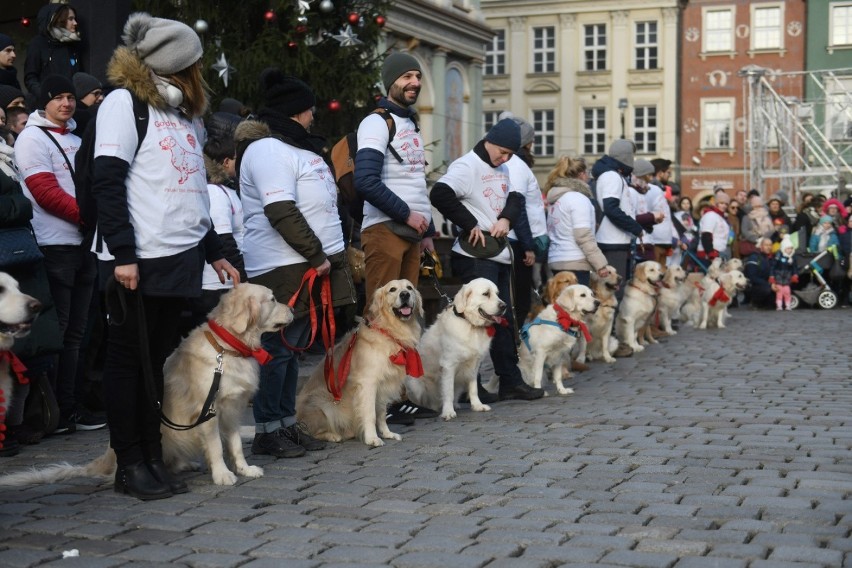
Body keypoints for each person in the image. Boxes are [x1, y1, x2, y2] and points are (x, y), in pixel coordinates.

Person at [91, 13, 239, 500]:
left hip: (180, 255)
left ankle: (153, 456)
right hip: (138, 255)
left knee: (154, 359)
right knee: (127, 360)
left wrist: (213, 250)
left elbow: (192, 189)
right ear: (179, 64)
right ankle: (129, 463)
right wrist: (123, 254)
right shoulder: (124, 104)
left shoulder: (184, 114)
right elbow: (108, 181)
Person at [238, 70, 354, 459]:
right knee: (278, 348)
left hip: (307, 263)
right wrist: (317, 254)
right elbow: (280, 209)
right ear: (293, 112)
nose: (312, 118)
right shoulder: (267, 149)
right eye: (308, 111)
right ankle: (267, 430)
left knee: (294, 348)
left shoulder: (296, 147)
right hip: (285, 264)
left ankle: (286, 423)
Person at [430, 118, 544, 402]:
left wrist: (506, 218)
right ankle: (473, 387)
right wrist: (469, 224)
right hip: (476, 256)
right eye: (503, 152)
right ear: (490, 141)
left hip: (500, 253)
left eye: (509, 155)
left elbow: (516, 198)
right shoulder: (466, 166)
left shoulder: (502, 166)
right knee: (474, 321)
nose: (505, 159)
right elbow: (440, 194)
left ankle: (510, 380)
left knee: (503, 318)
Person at [14, 74, 103, 434]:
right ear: (44, 102)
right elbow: (43, 191)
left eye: (70, 97)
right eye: (58, 97)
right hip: (55, 245)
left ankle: (71, 406)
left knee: (79, 333)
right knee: (62, 330)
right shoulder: (33, 138)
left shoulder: (78, 137)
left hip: (84, 244)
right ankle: (53, 412)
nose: (66, 103)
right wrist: (90, 216)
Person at [353, 51, 437, 422]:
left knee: (404, 317)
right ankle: (375, 401)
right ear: (390, 82)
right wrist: (407, 215)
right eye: (405, 77)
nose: (414, 83)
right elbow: (366, 181)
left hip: (413, 233)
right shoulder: (377, 123)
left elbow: (415, 182)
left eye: (417, 77)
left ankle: (396, 394)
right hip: (386, 230)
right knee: (381, 319)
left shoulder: (411, 124)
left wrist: (428, 231)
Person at [593, 139, 655, 291]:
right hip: (612, 242)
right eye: (631, 156)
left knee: (615, 289)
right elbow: (611, 208)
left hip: (616, 240)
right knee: (613, 290)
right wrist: (636, 228)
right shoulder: (611, 176)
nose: (633, 161)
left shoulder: (613, 175)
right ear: (625, 157)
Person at [500, 112, 543, 323]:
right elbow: (517, 206)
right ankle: (514, 345)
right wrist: (528, 246)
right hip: (515, 241)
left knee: (515, 298)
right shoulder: (516, 164)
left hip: (512, 238)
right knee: (518, 299)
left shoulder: (512, 163)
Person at [544, 155, 609, 286]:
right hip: (575, 261)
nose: (589, 177)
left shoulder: (557, 200)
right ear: (581, 174)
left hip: (556, 259)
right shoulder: (578, 199)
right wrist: (600, 264)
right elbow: (583, 236)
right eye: (588, 173)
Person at [24, 2, 83, 98]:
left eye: (75, 19)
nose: (75, 23)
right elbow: (31, 78)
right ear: (58, 20)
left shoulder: (72, 45)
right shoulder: (38, 43)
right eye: (70, 19)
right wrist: (46, 96)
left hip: (72, 102)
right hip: (48, 105)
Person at [696, 191, 731, 261]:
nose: (724, 206)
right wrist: (710, 253)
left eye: (726, 204)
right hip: (710, 253)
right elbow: (706, 235)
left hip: (721, 252)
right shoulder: (710, 215)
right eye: (721, 203)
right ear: (716, 203)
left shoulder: (722, 217)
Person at [743, 237, 775, 309]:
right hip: (754, 286)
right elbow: (751, 277)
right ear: (761, 246)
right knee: (766, 290)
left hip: (767, 284)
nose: (768, 247)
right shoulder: (754, 257)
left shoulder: (772, 258)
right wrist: (769, 284)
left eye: (770, 245)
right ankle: (754, 302)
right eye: (766, 245)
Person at [770, 235, 798, 311]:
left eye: (791, 248)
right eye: (788, 248)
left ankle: (788, 305)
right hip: (778, 277)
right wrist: (772, 276)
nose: (790, 250)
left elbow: (794, 267)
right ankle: (779, 305)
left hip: (787, 277)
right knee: (779, 293)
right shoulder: (778, 256)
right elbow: (773, 266)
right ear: (784, 248)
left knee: (787, 292)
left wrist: (795, 274)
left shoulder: (792, 257)